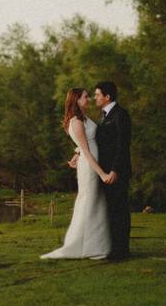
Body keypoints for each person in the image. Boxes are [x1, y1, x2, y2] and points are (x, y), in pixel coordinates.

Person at [40, 88, 111, 259]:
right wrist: (101, 173)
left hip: (92, 161)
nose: (89, 99)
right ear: (77, 100)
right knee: (88, 202)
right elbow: (87, 151)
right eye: (86, 97)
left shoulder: (84, 118)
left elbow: (84, 145)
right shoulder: (75, 122)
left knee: (95, 203)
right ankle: (82, 246)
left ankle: (96, 245)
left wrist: (76, 153)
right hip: (90, 167)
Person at [91, 81, 132, 260]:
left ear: (107, 97)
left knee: (119, 209)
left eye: (97, 95)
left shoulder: (120, 115)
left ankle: (121, 250)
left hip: (117, 171)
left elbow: (123, 146)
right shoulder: (103, 115)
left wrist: (115, 170)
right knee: (110, 210)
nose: (95, 98)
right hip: (105, 171)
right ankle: (113, 247)